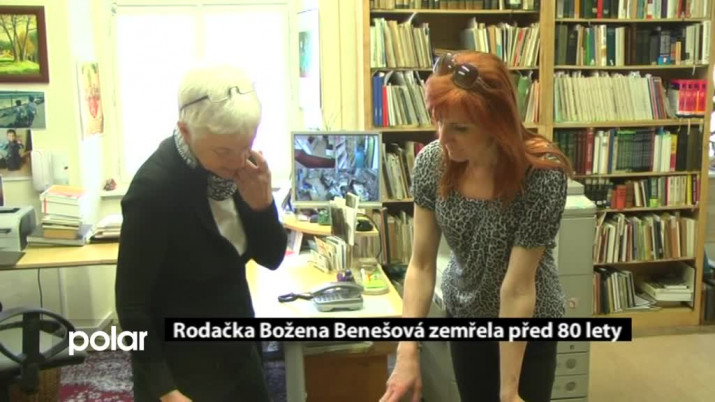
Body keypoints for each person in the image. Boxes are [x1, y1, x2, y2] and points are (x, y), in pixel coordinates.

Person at [380, 51, 573, 402]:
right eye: (439, 121)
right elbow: (421, 265)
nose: (443, 137)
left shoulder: (541, 174)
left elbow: (517, 289)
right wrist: (407, 352)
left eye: (460, 128)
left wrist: (509, 392)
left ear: (496, 123)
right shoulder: (432, 163)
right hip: (466, 312)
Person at [115, 64, 287, 402]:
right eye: (223, 151)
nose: (238, 161)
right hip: (179, 368)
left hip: (238, 356)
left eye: (247, 145)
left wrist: (263, 206)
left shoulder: (242, 170)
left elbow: (272, 257)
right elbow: (132, 304)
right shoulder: (154, 189)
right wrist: (166, 390)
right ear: (186, 130)